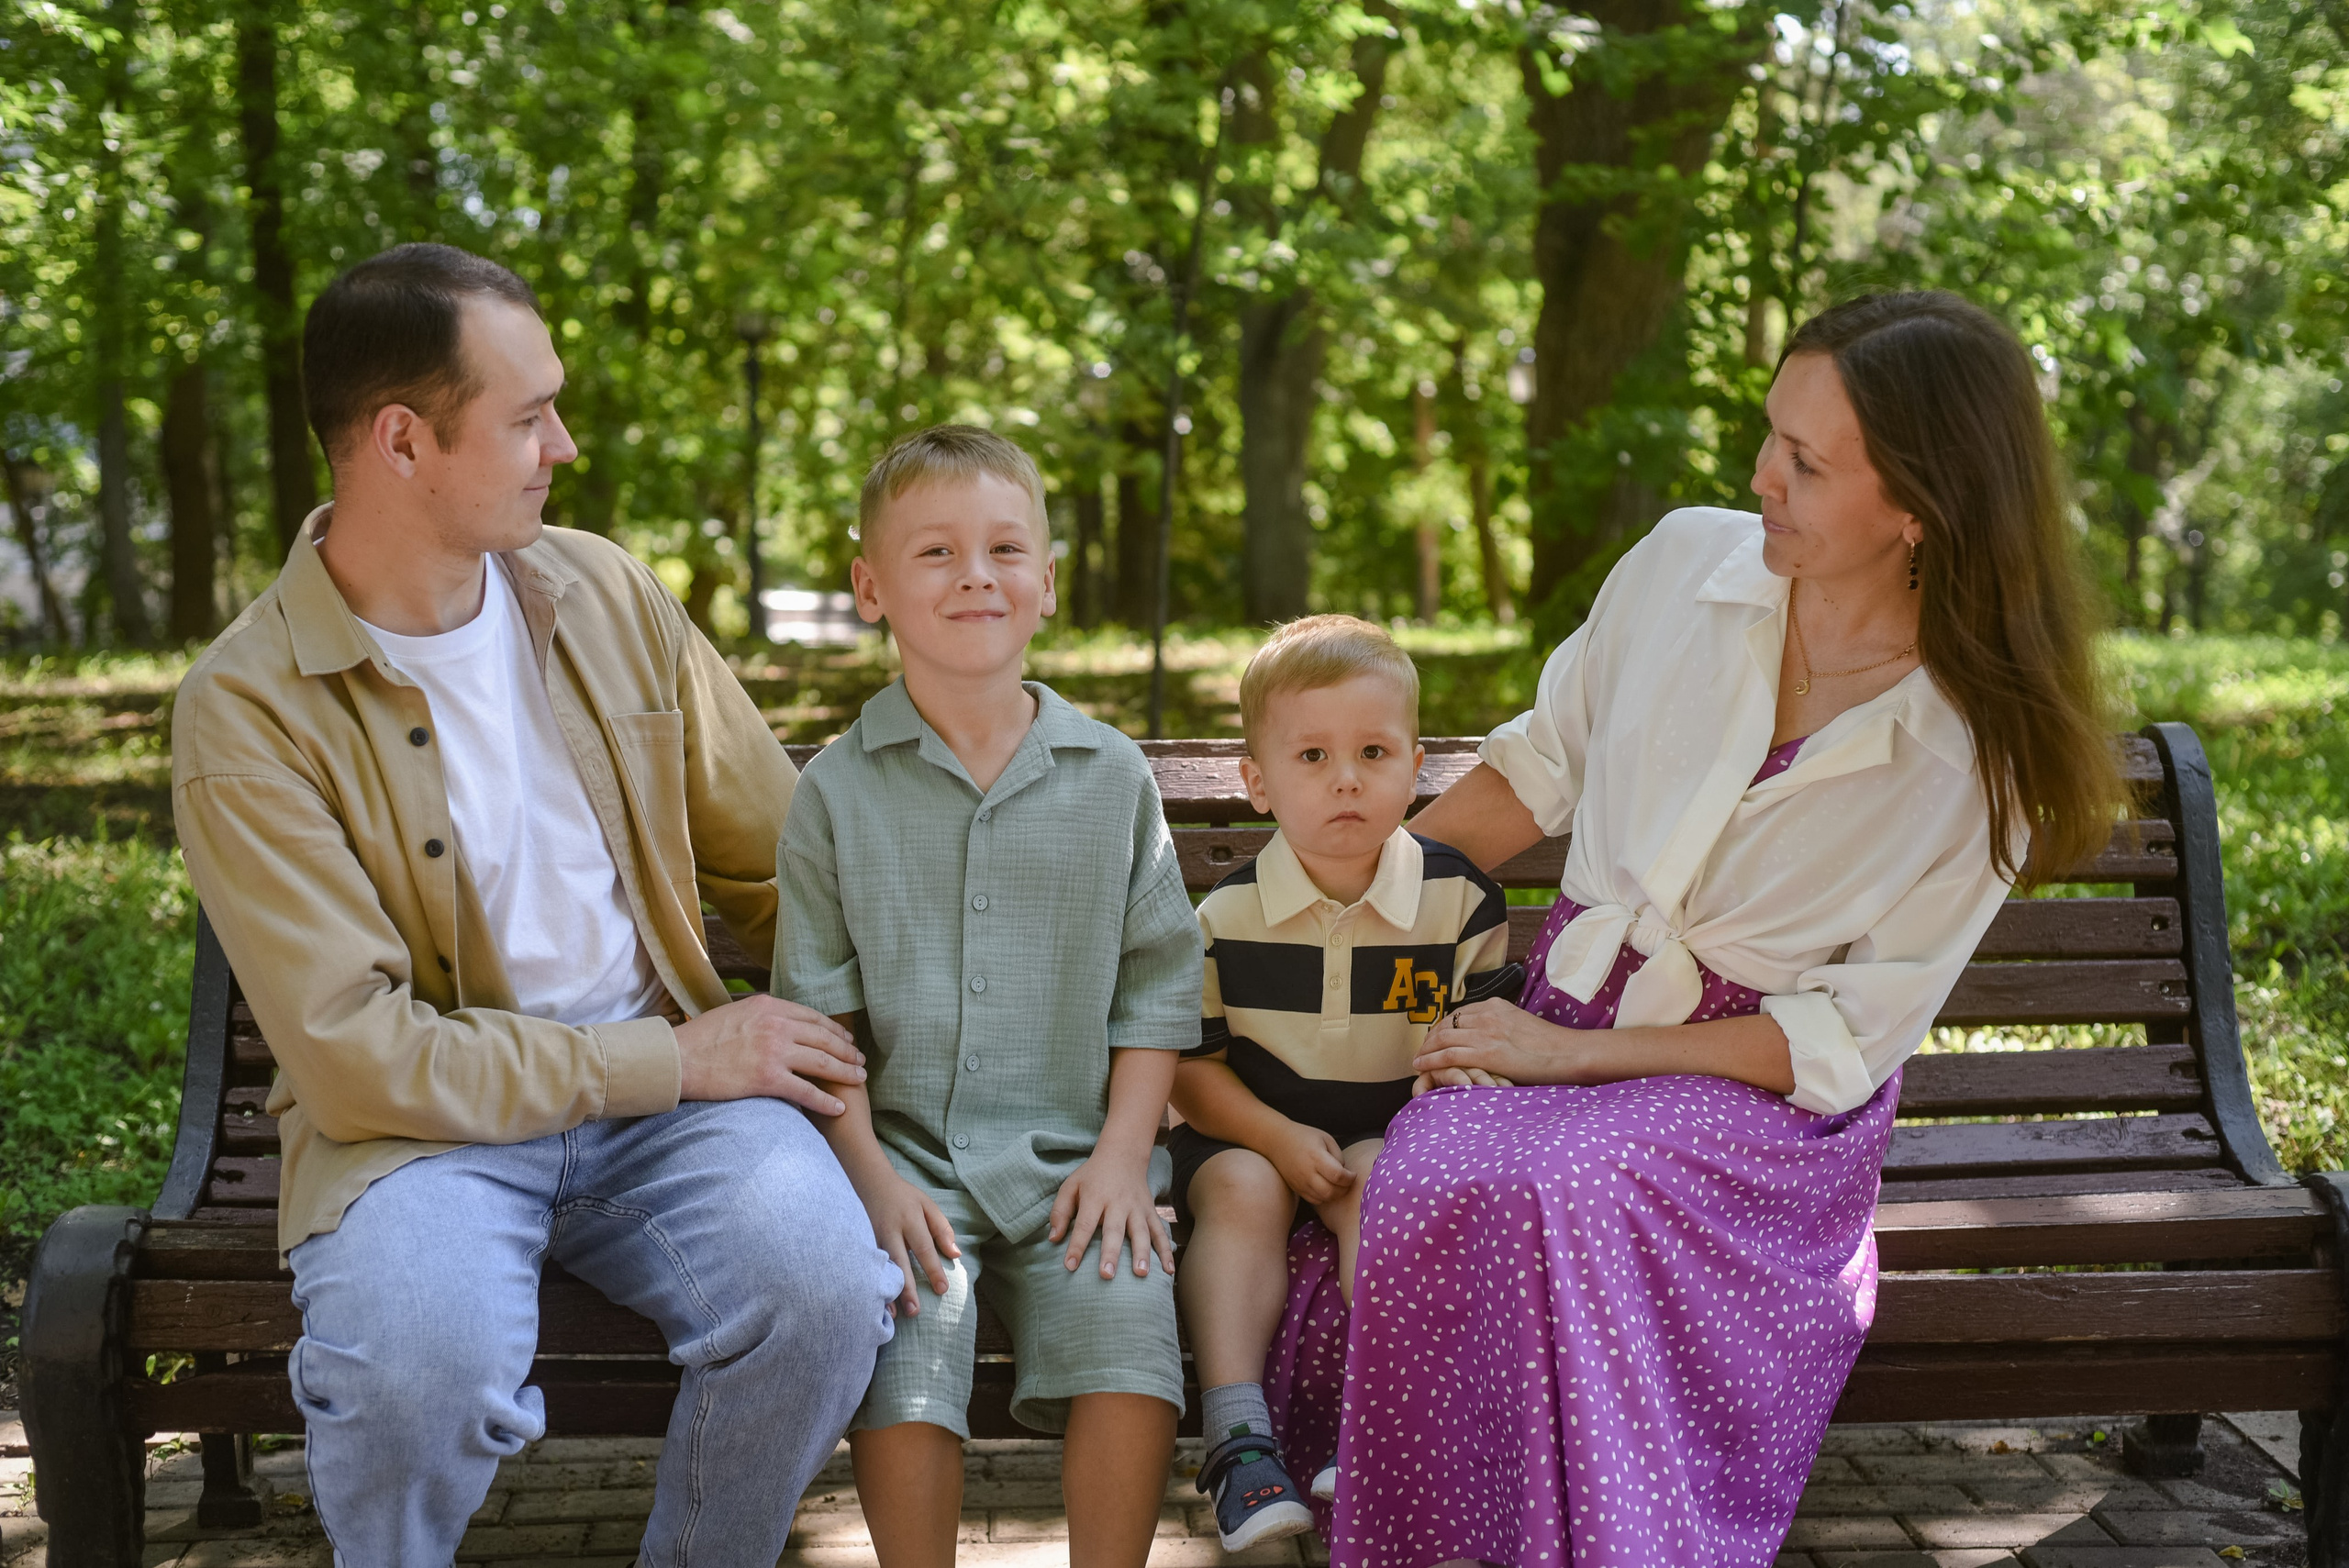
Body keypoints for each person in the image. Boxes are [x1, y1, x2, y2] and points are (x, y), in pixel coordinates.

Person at [1279, 291, 2123, 1567]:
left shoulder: (1983, 752)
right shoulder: (1685, 563)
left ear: (1921, 507)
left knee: (1565, 1187)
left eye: (1807, 460)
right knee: (1438, 1173)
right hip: (1548, 1016)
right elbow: (1532, 772)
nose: (1759, 474)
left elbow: (1839, 1038)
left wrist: (1572, 1060)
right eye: (1770, 432)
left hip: (1755, 1107)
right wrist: (1341, 924)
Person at [170, 243, 900, 1563]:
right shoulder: (248, 710)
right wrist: (672, 1055)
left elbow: (791, 871)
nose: (561, 444)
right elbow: (356, 1055)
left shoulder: (606, 593)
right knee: (415, 1370)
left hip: (676, 1116)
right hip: (418, 1137)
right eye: (525, 416)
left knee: (829, 1288)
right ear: (403, 441)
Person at [773, 424, 1203, 1568]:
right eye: (934, 553)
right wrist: (868, 1177)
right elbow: (817, 1024)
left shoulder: (1109, 776)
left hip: (1078, 1158)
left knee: (1125, 1325)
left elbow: (1158, 987)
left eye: (1006, 547)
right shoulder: (832, 791)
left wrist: (1122, 1155)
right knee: (906, 1339)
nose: (976, 573)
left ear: (1048, 582)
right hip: (904, 1156)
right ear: (870, 587)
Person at [1167, 615, 1520, 1550]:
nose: (1347, 778)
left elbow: (1481, 1038)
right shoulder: (1226, 917)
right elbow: (1191, 1075)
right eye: (1313, 755)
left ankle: (1379, 1424)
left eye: (1374, 751)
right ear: (1257, 780)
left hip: (1392, 1123)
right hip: (1247, 1126)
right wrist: (1276, 1137)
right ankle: (1239, 1441)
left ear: (1416, 763)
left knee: (1380, 1181)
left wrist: (1432, 1107)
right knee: (1241, 1187)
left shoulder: (1456, 900)